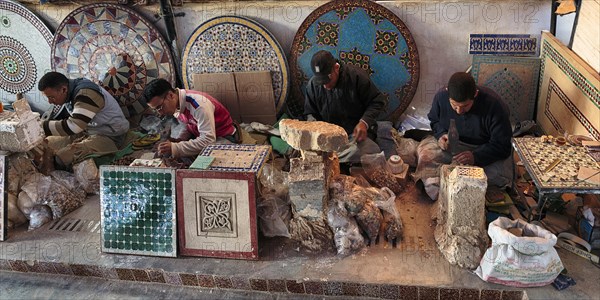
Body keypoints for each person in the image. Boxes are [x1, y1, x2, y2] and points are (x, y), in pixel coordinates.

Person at [415, 72, 514, 200]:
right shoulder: (441, 97)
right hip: (453, 146)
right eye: (454, 105)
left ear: (475, 95)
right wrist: (441, 135)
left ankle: (461, 188)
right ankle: (442, 192)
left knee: (500, 175)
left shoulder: (494, 106)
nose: (459, 111)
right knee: (425, 154)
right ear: (447, 93)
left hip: (484, 149)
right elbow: (434, 120)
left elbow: (503, 145)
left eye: (465, 106)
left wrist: (476, 156)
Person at [304, 50, 388, 163]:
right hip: (327, 138)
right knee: (302, 149)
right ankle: (332, 157)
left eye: (328, 80)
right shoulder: (313, 85)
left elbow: (377, 101)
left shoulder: (356, 77)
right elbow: (310, 112)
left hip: (353, 135)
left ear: (336, 68)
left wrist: (364, 122)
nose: (325, 85)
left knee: (370, 150)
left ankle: (329, 158)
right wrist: (313, 125)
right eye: (321, 82)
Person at [38, 72, 129, 169]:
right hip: (88, 130)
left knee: (62, 158)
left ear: (63, 89)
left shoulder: (86, 94)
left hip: (111, 135)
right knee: (47, 143)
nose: (50, 102)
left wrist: (39, 126)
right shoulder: (69, 91)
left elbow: (74, 126)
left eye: (51, 97)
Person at [142, 78, 238, 158]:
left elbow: (208, 140)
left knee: (210, 162)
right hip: (199, 133)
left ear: (170, 96)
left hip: (221, 135)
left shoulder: (199, 105)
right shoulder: (176, 104)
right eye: (156, 110)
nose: (160, 113)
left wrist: (176, 147)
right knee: (171, 155)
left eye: (160, 107)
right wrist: (178, 140)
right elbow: (188, 124)